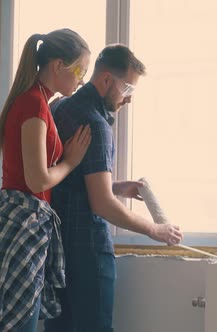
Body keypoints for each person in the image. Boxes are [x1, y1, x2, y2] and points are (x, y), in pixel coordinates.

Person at [43, 44, 183, 332]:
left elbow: (70, 180)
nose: (128, 100)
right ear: (106, 80)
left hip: (55, 251)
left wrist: (118, 186)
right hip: (88, 253)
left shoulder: (59, 107)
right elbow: (102, 204)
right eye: (127, 89)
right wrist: (154, 230)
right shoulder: (96, 124)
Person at [0, 28, 93, 332]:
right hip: (22, 226)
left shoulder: (35, 102)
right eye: (79, 70)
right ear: (58, 66)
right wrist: (70, 162)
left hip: (17, 225)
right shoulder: (34, 104)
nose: (81, 80)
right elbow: (38, 180)